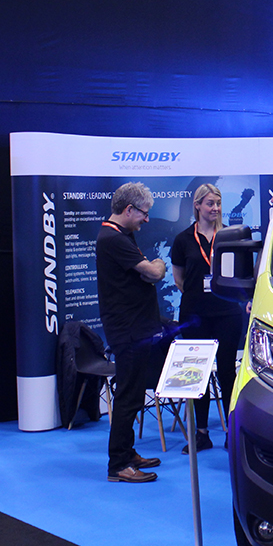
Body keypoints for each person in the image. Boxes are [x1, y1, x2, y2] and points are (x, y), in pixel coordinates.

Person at [96, 182, 166, 482]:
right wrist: (159, 263)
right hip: (128, 331)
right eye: (144, 213)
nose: (146, 220)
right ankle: (119, 465)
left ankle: (127, 452)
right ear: (129, 209)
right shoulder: (113, 238)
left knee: (134, 393)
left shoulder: (120, 236)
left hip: (135, 329)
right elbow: (152, 273)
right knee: (127, 397)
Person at [171, 183, 246, 452]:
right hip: (194, 314)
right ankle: (200, 433)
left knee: (227, 372)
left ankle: (231, 432)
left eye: (217, 203)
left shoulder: (229, 236)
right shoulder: (182, 240)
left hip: (226, 313)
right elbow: (179, 278)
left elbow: (239, 274)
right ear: (197, 206)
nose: (215, 208)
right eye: (209, 204)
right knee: (196, 373)